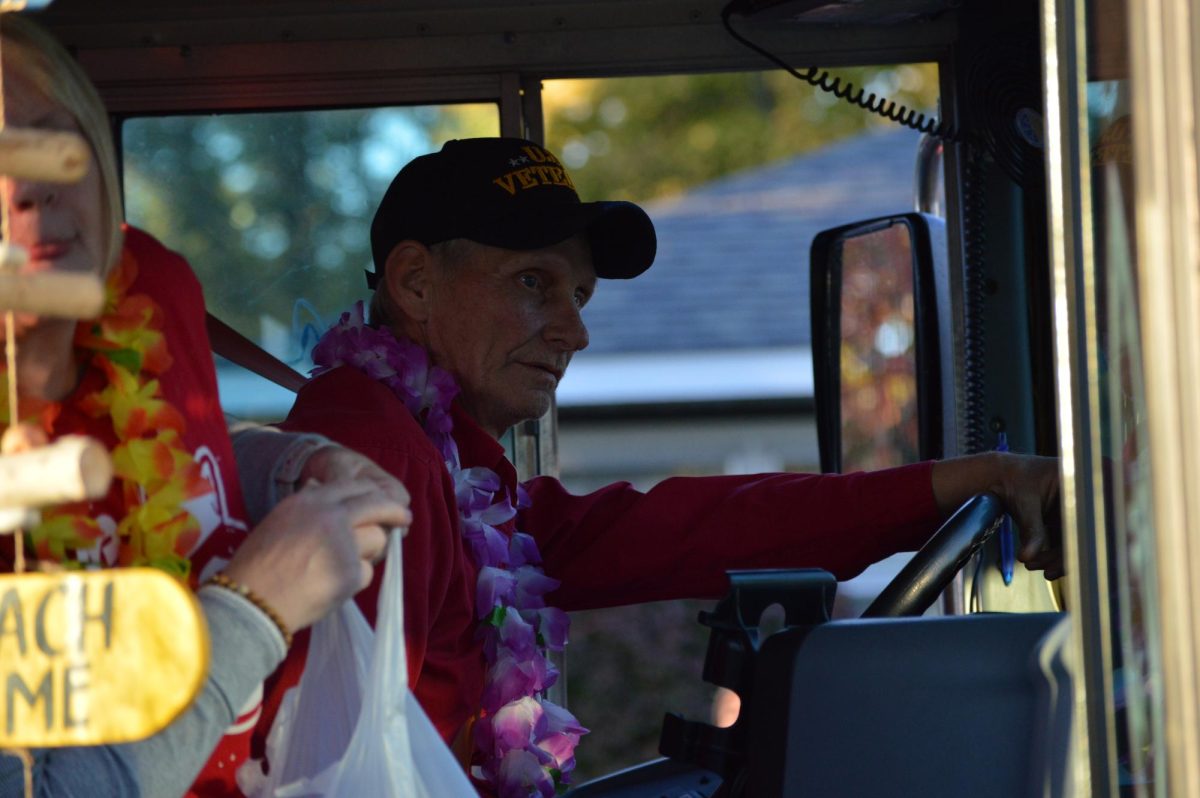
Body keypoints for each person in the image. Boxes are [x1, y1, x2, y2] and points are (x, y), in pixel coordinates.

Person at [275, 136, 1061, 796]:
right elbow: (338, 755)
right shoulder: (373, 458)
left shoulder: (452, 469)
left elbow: (687, 528)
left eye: (578, 294)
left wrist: (965, 481)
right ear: (415, 281)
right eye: (533, 283)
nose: (574, 332)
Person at [0, 15, 412, 797]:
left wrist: (287, 466)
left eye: (50, 134)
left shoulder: (148, 283)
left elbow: (173, 452)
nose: (30, 183)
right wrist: (257, 606)